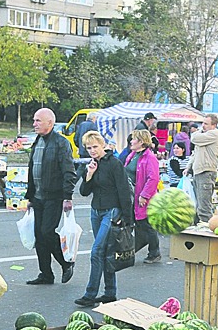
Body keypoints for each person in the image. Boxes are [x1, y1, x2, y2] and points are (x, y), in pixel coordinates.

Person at [75, 131, 133, 307]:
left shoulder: (114, 163)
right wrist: (89, 175)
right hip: (96, 211)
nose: (92, 150)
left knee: (96, 252)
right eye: (89, 148)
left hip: (112, 211)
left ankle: (90, 294)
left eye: (95, 147)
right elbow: (84, 191)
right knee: (106, 252)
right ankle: (110, 292)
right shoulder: (91, 165)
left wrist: (127, 218)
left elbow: (124, 190)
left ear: (103, 146)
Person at [25, 107, 76, 286]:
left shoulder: (61, 143)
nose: (34, 124)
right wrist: (30, 196)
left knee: (47, 232)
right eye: (34, 120)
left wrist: (67, 196)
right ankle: (46, 274)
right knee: (39, 236)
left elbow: (69, 171)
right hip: (38, 197)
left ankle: (66, 263)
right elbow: (33, 169)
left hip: (54, 197)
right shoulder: (37, 141)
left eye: (38, 120)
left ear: (50, 123)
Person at [125, 129, 161, 264]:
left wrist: (144, 195)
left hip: (143, 197)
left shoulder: (149, 157)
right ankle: (136, 247)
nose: (131, 141)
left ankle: (154, 252)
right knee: (139, 223)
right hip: (133, 195)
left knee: (146, 224)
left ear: (141, 142)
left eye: (133, 139)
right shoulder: (133, 154)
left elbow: (153, 179)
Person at [189, 114, 218, 223]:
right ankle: (198, 230)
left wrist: (197, 131)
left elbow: (194, 138)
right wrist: (189, 167)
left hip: (206, 172)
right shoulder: (204, 136)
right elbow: (195, 153)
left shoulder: (214, 134)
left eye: (206, 124)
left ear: (214, 125)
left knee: (204, 208)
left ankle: (207, 230)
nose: (203, 126)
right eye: (203, 123)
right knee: (198, 206)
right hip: (198, 171)